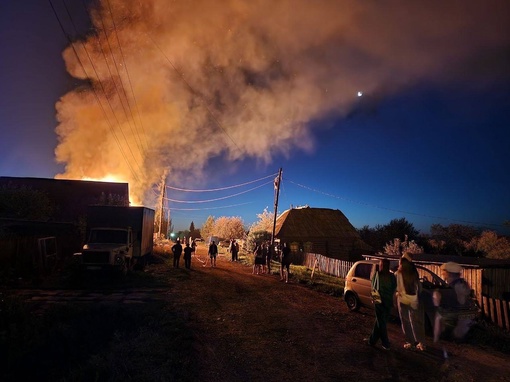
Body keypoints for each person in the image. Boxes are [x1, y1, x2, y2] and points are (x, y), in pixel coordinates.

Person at [433, 262, 475, 343]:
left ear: (450, 273)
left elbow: (460, 301)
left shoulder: (458, 285)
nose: (442, 274)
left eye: (444, 272)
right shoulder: (458, 284)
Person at [396, 253, 425, 351]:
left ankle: (410, 342)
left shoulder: (398, 273)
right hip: (413, 300)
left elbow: (396, 287)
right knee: (416, 321)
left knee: (405, 322)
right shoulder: (414, 272)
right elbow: (419, 287)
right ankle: (421, 343)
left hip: (402, 300)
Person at [367, 259, 397, 350]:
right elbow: (394, 287)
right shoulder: (391, 276)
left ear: (381, 266)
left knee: (381, 322)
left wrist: (374, 299)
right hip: (387, 302)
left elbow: (374, 287)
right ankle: (373, 341)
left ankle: (383, 342)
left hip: (380, 302)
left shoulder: (378, 275)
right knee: (381, 322)